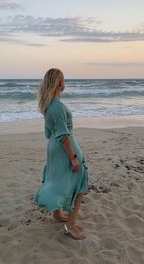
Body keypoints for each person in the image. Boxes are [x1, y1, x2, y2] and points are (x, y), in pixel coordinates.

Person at [34, 68, 88, 240]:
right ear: (58, 83)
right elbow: (63, 134)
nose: (65, 83)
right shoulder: (56, 107)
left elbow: (48, 133)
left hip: (54, 147)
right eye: (63, 80)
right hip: (64, 147)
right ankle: (70, 226)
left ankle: (57, 214)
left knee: (56, 178)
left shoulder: (48, 104)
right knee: (79, 180)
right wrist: (73, 158)